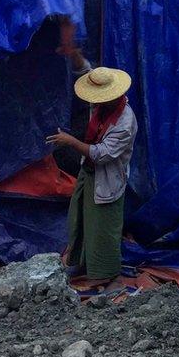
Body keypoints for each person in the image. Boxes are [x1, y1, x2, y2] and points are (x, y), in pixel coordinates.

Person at [48, 65, 136, 284]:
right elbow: (88, 71)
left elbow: (102, 154)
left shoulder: (124, 123)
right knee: (80, 218)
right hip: (89, 172)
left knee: (102, 227)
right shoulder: (101, 109)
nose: (94, 101)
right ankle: (80, 263)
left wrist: (70, 142)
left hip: (106, 176)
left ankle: (104, 274)